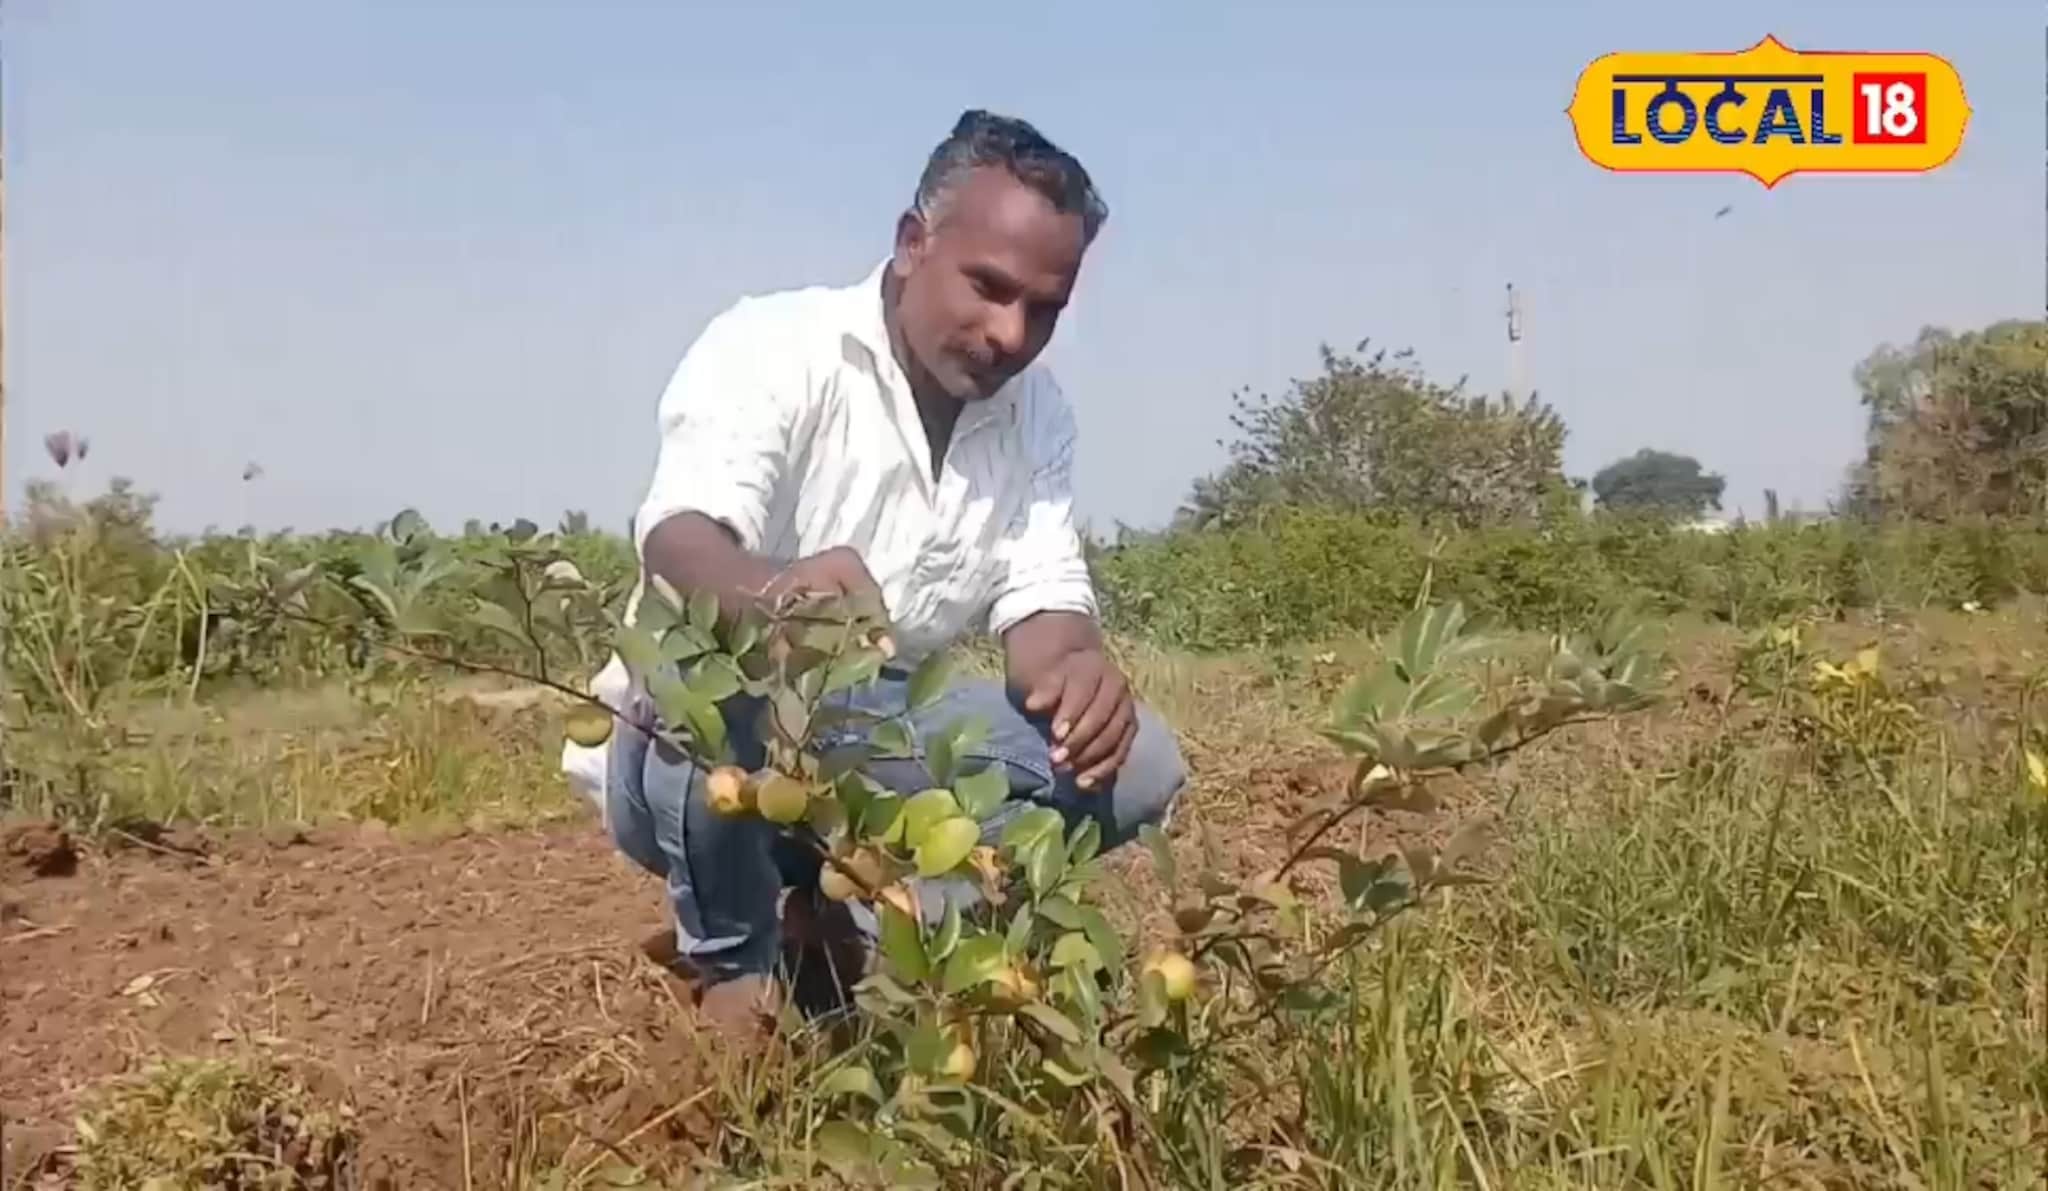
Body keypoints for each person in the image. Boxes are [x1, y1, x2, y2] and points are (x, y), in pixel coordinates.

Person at [561, 109, 1186, 1036]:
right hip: (699, 753)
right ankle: (736, 967)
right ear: (909, 244)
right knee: (707, 665)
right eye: (988, 287)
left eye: (1043, 310)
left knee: (1138, 762)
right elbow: (679, 538)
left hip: (876, 731)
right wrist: (773, 597)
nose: (1010, 333)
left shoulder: (1036, 413)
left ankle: (856, 922)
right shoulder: (775, 346)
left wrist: (1078, 666)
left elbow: (1044, 609)